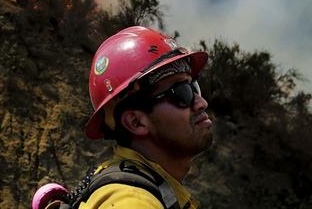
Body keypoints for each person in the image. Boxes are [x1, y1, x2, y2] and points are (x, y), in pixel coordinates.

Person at [77, 25, 213, 209]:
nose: (201, 102)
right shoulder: (133, 202)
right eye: (182, 92)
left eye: (194, 87)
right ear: (136, 122)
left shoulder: (152, 189)